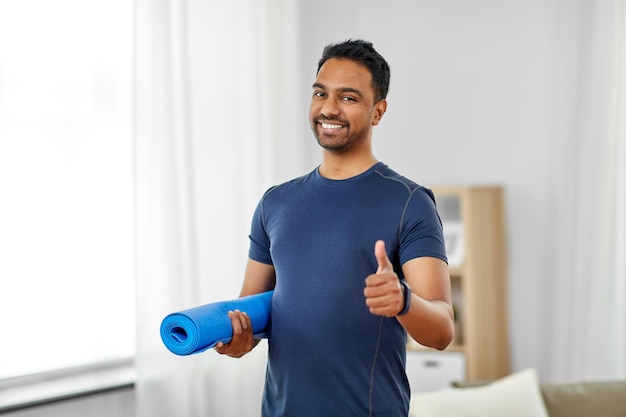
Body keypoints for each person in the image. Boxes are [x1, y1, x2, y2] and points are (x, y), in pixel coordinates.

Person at [215, 39, 454, 417]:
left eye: (348, 97)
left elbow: (441, 332)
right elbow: (254, 309)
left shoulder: (410, 202)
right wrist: (239, 338)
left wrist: (403, 301)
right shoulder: (275, 203)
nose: (328, 108)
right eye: (320, 93)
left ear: (378, 111)